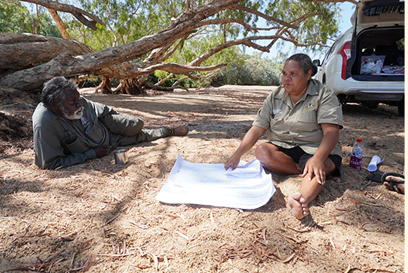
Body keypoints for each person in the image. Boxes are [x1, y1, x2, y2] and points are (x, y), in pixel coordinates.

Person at [224, 53, 343, 219]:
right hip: (285, 146)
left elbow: (331, 132)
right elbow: (257, 129)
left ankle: (301, 199)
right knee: (262, 152)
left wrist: (317, 158)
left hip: (316, 148)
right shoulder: (275, 96)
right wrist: (237, 154)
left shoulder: (324, 95)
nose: (287, 79)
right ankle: (300, 169)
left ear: (308, 74)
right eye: (284, 73)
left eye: (293, 74)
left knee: (317, 166)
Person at [33, 76, 188, 170]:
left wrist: (113, 120)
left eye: (78, 99)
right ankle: (167, 131)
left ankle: (167, 130)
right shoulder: (44, 122)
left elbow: (96, 109)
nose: (79, 104)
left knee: (136, 125)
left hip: (104, 125)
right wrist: (91, 154)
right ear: (53, 104)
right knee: (142, 137)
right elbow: (50, 164)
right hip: (107, 144)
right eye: (72, 102)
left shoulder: (80, 103)